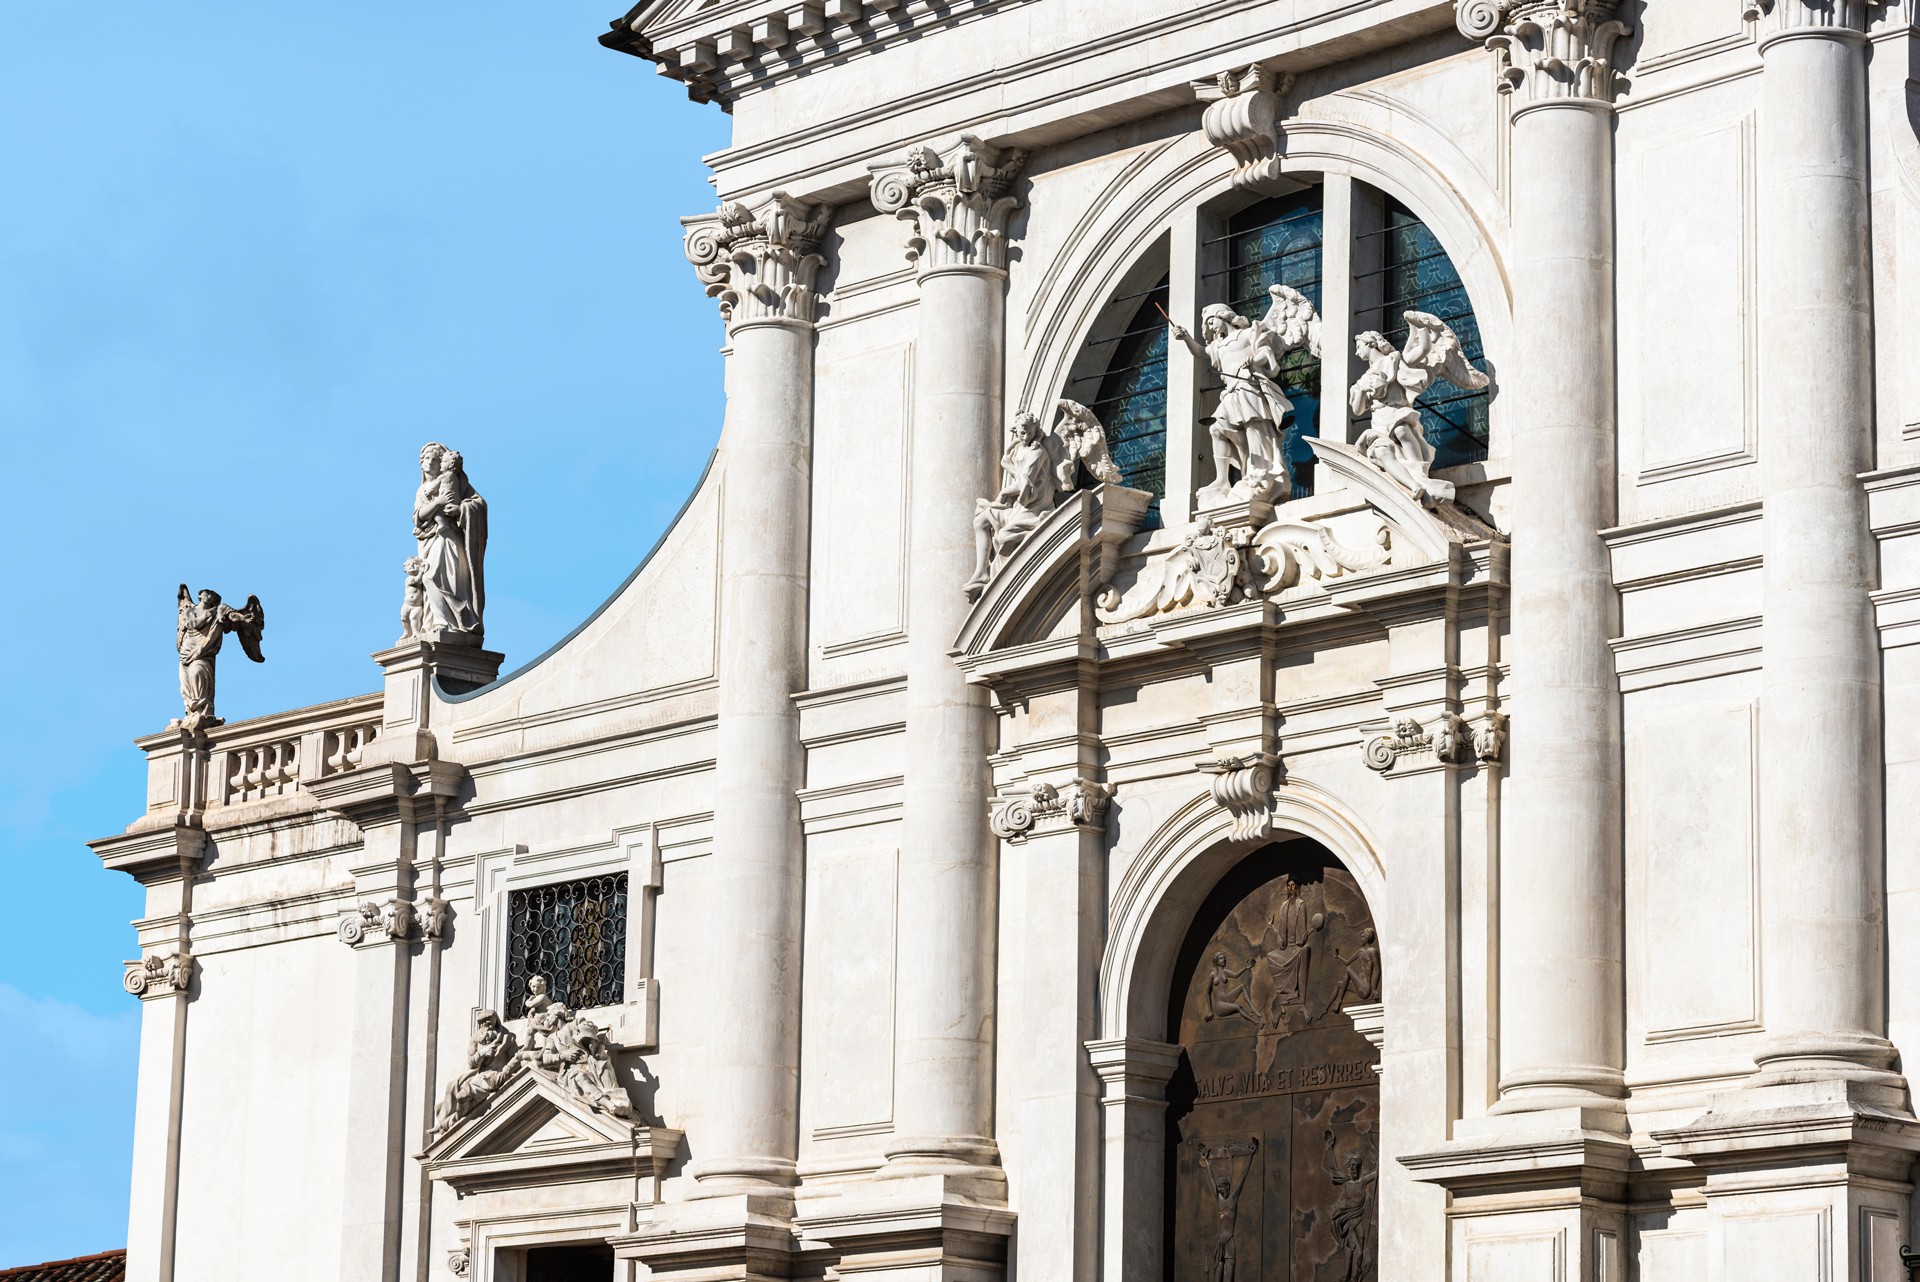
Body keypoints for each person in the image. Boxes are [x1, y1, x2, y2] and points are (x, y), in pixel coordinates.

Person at [966, 411, 1061, 599]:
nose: (1023, 435)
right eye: (1020, 431)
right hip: (1019, 506)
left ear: (1035, 430)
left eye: (1027, 431)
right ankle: (981, 573)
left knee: (1004, 535)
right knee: (981, 521)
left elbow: (1024, 483)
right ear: (1015, 431)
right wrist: (1007, 463)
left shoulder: (1038, 452)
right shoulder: (1018, 449)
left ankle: (1004, 576)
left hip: (1034, 508)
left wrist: (1003, 493)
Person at [412, 442, 488, 638]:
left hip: (449, 538)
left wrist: (460, 509)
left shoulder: (456, 482)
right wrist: (438, 502)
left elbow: (478, 505)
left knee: (434, 577)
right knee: (428, 578)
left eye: (436, 459)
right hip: (430, 540)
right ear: (421, 463)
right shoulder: (422, 491)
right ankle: (441, 622)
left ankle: (455, 621)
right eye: (427, 459)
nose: (431, 462)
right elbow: (418, 516)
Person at [1323, 1130, 1378, 1282]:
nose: (1353, 1169)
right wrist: (1329, 1148)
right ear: (1349, 1168)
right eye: (1351, 1166)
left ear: (1360, 1168)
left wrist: (1379, 1159)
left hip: (1358, 1222)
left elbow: (1376, 1174)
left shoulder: (1362, 1182)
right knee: (1357, 1252)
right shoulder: (1346, 1181)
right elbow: (1331, 1169)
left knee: (1356, 1253)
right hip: (1347, 1223)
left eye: (1356, 1166)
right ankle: (1352, 1277)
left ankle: (1353, 1276)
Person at [1204, 950, 1262, 1027]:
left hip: (1226, 999)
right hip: (1219, 1005)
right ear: (1216, 961)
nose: (1224, 960)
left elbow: (1235, 975)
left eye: (1224, 958)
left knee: (1242, 986)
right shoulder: (1212, 974)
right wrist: (1210, 1011)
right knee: (1238, 1007)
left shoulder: (1225, 972)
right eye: (1221, 958)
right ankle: (1256, 1023)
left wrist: (1245, 968)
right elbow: (1207, 993)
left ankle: (1252, 1008)